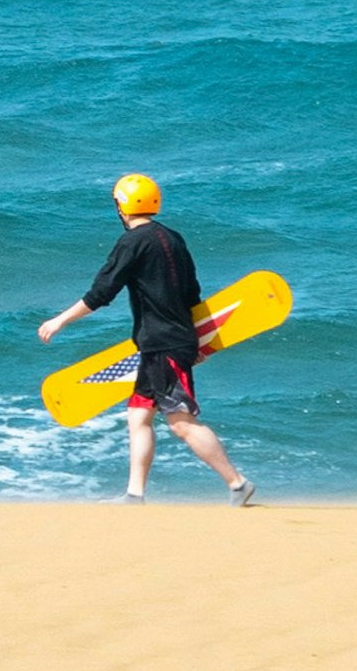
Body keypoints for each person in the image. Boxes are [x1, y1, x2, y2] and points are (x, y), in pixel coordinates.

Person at [39, 171, 257, 505]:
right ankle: (134, 494)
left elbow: (101, 292)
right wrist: (200, 340)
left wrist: (60, 321)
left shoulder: (131, 242)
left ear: (122, 206)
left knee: (181, 422)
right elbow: (192, 294)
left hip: (162, 344)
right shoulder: (173, 238)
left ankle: (237, 482)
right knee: (138, 416)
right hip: (168, 342)